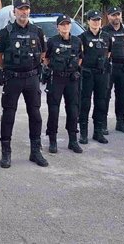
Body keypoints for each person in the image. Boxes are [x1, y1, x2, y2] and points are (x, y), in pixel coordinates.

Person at [0, 0, 48, 168]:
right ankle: (6, 152)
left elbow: (43, 54)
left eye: (26, 9)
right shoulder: (5, 33)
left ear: (29, 11)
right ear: (14, 12)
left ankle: (35, 151)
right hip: (13, 79)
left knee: (36, 115)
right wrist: (9, 68)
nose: (23, 12)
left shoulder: (37, 31)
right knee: (8, 116)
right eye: (20, 9)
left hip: (32, 78)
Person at [44, 15, 83, 154]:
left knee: (73, 110)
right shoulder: (52, 41)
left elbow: (80, 58)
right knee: (53, 111)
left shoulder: (77, 41)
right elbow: (45, 58)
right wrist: (54, 69)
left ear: (70, 26)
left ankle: (73, 140)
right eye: (62, 24)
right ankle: (52, 141)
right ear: (58, 27)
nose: (65, 26)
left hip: (72, 80)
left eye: (67, 24)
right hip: (57, 79)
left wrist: (72, 69)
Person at [78, 10, 112, 145]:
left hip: (102, 74)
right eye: (93, 20)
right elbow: (79, 56)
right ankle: (83, 133)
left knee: (101, 103)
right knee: (85, 103)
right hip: (87, 74)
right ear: (88, 21)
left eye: (98, 20)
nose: (96, 22)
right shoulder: (82, 37)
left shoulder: (107, 37)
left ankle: (98, 132)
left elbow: (109, 53)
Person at [102, 6, 124, 135]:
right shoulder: (104, 31)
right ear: (108, 17)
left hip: (123, 67)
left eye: (118, 14)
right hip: (109, 66)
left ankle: (120, 122)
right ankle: (102, 123)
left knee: (122, 95)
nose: (116, 17)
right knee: (105, 96)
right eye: (113, 15)